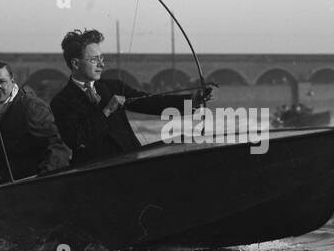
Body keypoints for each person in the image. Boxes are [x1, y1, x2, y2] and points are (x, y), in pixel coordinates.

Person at [49, 29, 213, 166]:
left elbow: (150, 102)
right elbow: (76, 139)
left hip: (131, 165)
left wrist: (193, 101)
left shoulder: (113, 86)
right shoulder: (61, 101)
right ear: (76, 64)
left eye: (102, 58)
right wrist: (106, 111)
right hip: (94, 175)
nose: (102, 65)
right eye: (94, 60)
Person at [0, 58, 71, 183]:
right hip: (12, 183)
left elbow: (58, 145)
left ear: (12, 79)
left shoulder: (31, 107)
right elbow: (3, 153)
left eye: (2, 81)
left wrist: (45, 178)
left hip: (35, 183)